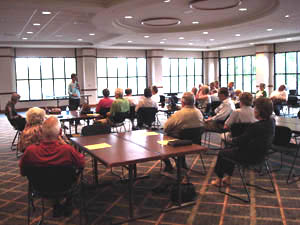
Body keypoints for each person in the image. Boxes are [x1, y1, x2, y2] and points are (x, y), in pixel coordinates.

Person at [19, 116, 85, 217]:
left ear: (40, 132)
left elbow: (23, 172)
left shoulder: (30, 151)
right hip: (65, 186)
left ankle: (56, 204)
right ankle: (68, 202)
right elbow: (82, 163)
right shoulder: (67, 150)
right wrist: (65, 144)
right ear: (60, 132)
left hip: (39, 188)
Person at [211, 97, 275, 187]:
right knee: (231, 150)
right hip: (263, 155)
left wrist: (231, 140)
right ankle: (228, 178)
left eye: (255, 108)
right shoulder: (271, 122)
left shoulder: (255, 127)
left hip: (250, 156)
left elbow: (241, 140)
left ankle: (219, 179)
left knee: (222, 153)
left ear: (259, 111)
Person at [163, 92, 205, 172]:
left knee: (162, 141)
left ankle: (168, 165)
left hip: (180, 143)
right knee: (183, 135)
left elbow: (165, 128)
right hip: (195, 142)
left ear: (182, 102)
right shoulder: (199, 112)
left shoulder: (178, 114)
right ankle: (182, 162)